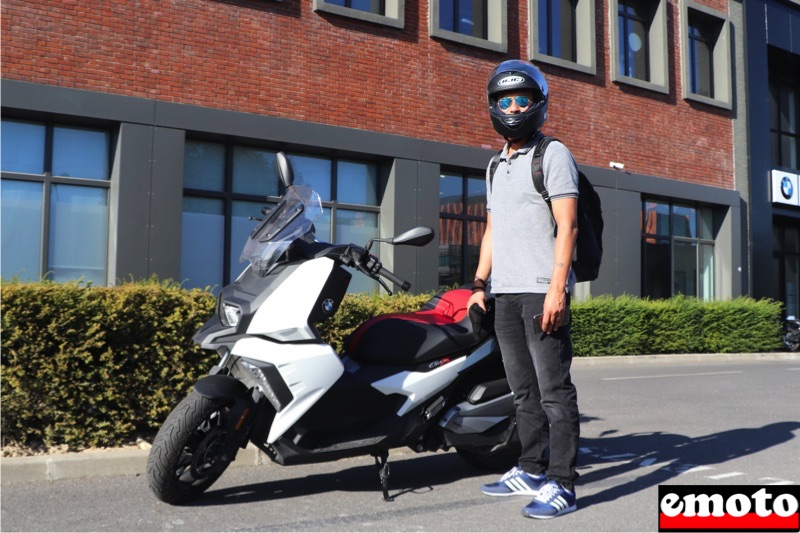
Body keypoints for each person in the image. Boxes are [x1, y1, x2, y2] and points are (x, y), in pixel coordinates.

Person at [468, 59, 580, 519]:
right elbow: (493, 229)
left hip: (540, 291)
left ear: (538, 103)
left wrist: (557, 289)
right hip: (505, 292)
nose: (513, 107)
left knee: (555, 392)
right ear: (494, 106)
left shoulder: (552, 154)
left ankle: (564, 484)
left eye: (521, 99)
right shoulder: (495, 164)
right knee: (522, 392)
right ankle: (531, 468)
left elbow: (567, 225)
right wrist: (478, 284)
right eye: (504, 100)